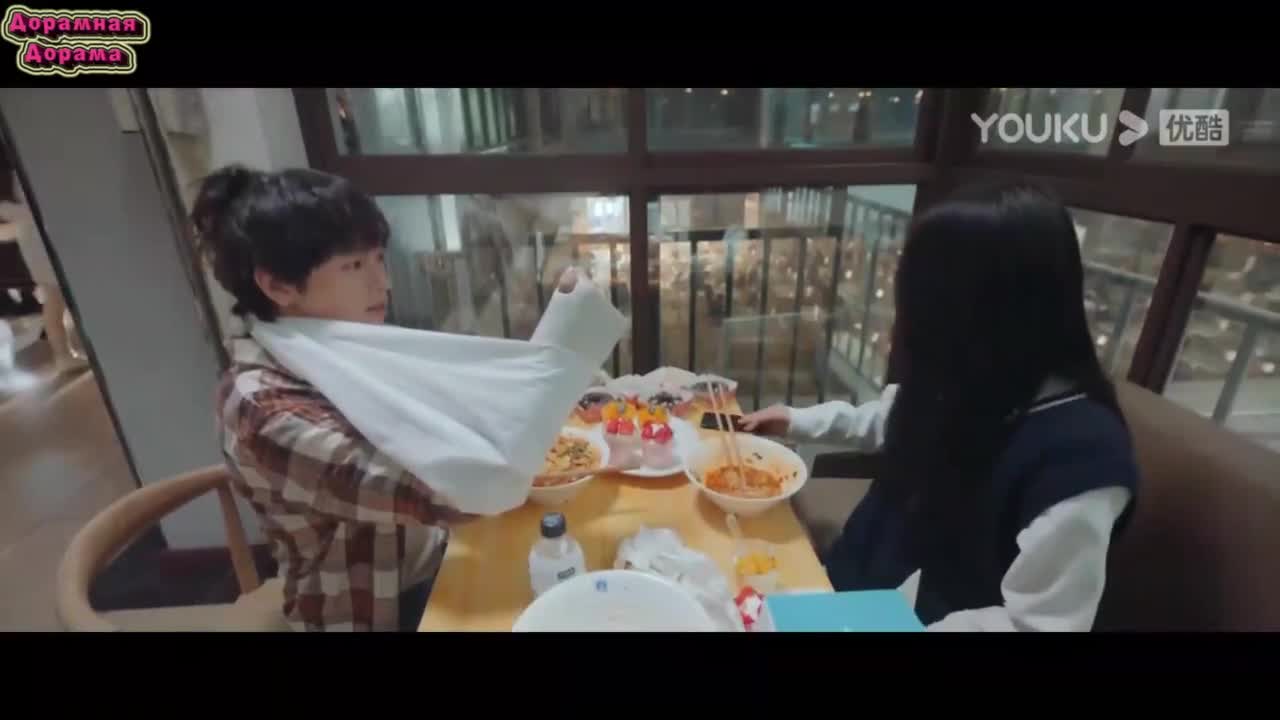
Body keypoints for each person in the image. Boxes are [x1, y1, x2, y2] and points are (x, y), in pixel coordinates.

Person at [194, 164, 582, 632]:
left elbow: (458, 421)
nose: (383, 284)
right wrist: (566, 344)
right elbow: (458, 490)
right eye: (355, 266)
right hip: (372, 605)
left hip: (432, 552)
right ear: (278, 285)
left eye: (379, 259)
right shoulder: (262, 409)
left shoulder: (336, 351)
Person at [742, 180, 1140, 632]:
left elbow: (1036, 624)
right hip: (859, 581)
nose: (907, 320)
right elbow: (900, 416)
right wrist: (796, 420)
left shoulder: (1080, 462)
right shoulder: (973, 373)